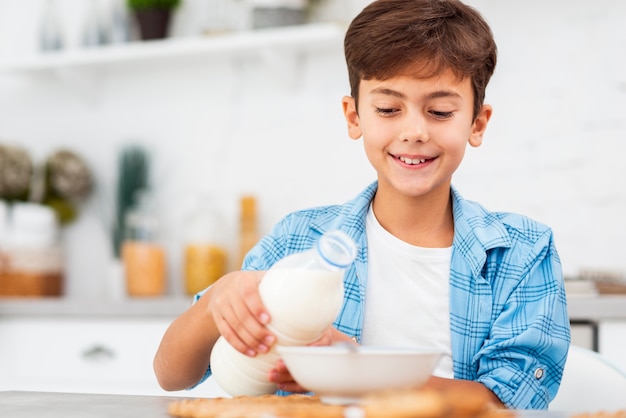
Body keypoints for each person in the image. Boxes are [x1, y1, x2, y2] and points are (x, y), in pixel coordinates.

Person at [153, 0, 570, 410]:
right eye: (388, 108)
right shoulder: (298, 242)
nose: (414, 131)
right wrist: (216, 301)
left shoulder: (522, 251)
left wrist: (362, 373)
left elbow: (510, 403)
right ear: (354, 117)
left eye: (440, 111)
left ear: (477, 123)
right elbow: (171, 375)